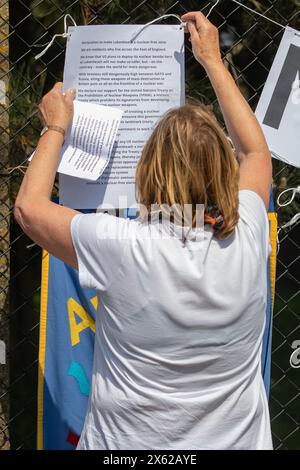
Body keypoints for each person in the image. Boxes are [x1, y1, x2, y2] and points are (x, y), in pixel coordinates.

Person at [14, 11, 273, 450]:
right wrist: (211, 58)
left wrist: (55, 125)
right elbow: (255, 151)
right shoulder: (247, 232)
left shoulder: (122, 246)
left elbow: (29, 208)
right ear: (222, 170)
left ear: (148, 170)